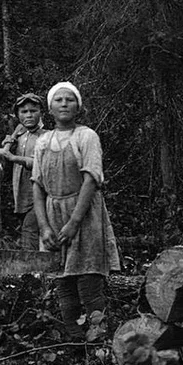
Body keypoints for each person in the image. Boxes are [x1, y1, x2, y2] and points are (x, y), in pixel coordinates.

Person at [31, 81, 120, 345]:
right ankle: (75, 342)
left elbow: (91, 180)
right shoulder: (43, 141)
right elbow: (37, 186)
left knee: (89, 282)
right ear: (50, 108)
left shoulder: (87, 136)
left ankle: (98, 344)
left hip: (85, 215)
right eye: (58, 100)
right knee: (63, 284)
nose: (64, 104)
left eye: (69, 99)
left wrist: (73, 223)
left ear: (78, 106)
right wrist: (44, 227)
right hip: (53, 215)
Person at [0, 93, 45, 250]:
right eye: (24, 112)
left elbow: (39, 164)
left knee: (29, 232)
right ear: (18, 115)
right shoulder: (18, 138)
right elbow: (3, 173)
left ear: (41, 113)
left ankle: (31, 264)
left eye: (33, 111)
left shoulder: (46, 136)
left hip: (41, 195)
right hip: (22, 196)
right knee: (32, 234)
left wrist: (12, 157)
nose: (29, 115)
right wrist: (3, 158)